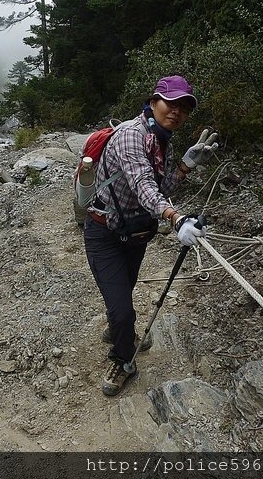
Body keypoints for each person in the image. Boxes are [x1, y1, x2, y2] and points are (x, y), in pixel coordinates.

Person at [84, 75, 218, 396]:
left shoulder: (161, 140)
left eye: (184, 108)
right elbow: (144, 186)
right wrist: (176, 217)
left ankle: (119, 329)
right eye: (171, 103)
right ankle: (122, 359)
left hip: (136, 230)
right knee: (123, 309)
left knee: (125, 290)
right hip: (104, 230)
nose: (177, 112)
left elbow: (159, 188)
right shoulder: (132, 136)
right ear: (154, 100)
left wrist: (185, 166)